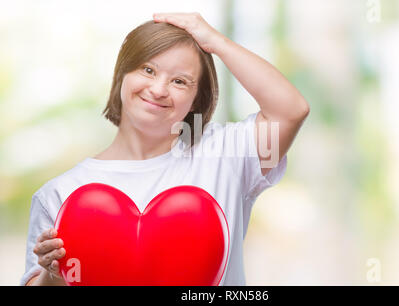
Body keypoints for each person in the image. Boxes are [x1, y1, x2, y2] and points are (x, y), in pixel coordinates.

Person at [22, 12, 310, 286]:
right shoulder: (59, 194)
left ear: (197, 99)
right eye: (148, 69)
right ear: (123, 74)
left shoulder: (227, 157)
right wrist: (53, 274)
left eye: (179, 81)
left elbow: (291, 111)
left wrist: (216, 42)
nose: (159, 89)